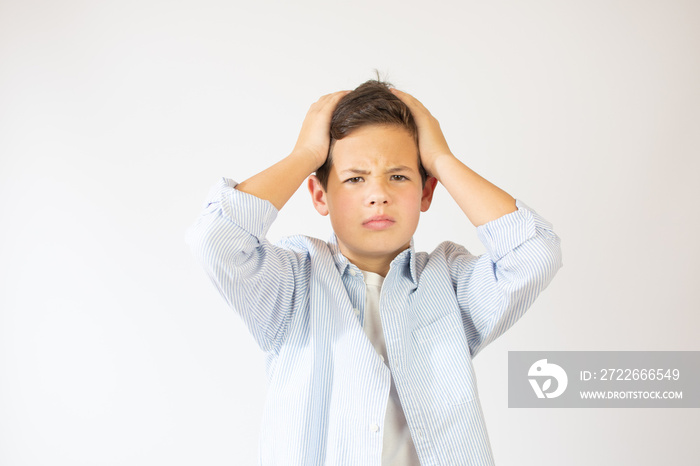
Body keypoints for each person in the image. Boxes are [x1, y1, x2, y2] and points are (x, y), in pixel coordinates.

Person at [186, 80, 562, 465]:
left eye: (398, 176)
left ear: (426, 192)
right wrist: (306, 154)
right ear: (320, 196)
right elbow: (216, 239)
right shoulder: (292, 284)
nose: (378, 194)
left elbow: (534, 253)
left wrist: (441, 159)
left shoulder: (451, 284)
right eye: (355, 178)